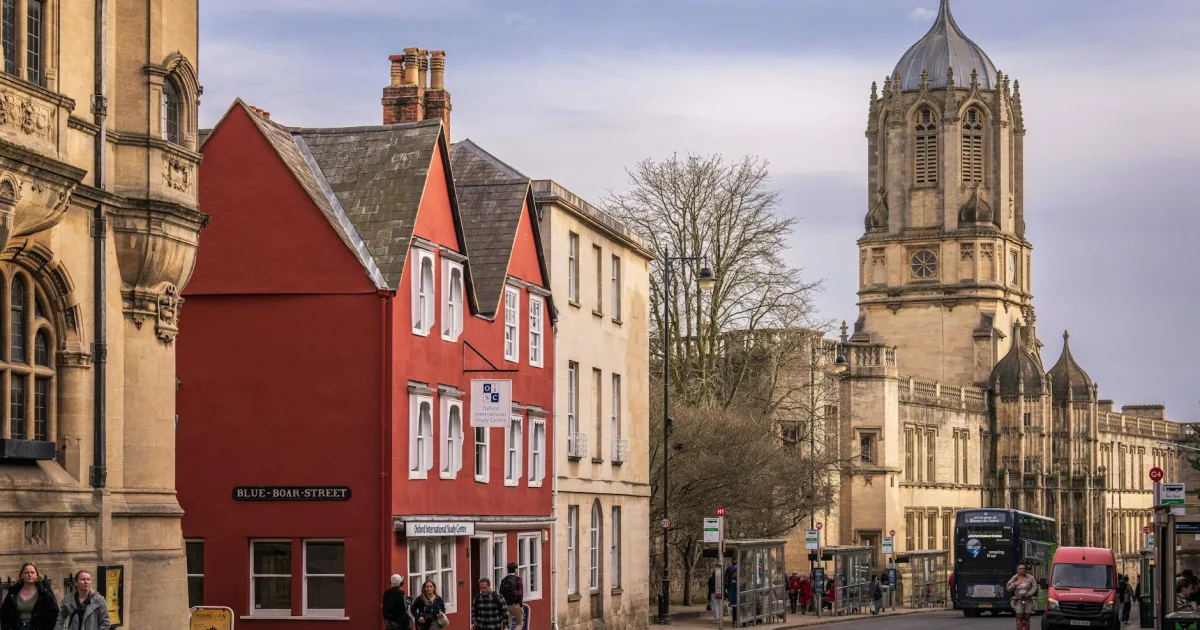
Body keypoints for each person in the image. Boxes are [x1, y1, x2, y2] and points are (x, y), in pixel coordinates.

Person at [1, 562, 59, 630]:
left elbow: (54, 612)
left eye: (32, 572)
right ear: (21, 575)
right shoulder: (13, 592)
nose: (30, 575)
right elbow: (4, 612)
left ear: (37, 575)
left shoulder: (44, 592)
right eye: (26, 572)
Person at [1006, 563, 1038, 630]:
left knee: (1027, 617)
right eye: (1020, 568)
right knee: (1020, 617)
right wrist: (1014, 585)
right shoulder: (1014, 578)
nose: (1022, 570)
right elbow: (1008, 588)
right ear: (1017, 570)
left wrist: (1029, 594)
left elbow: (1034, 587)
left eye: (1023, 568)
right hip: (1018, 600)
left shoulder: (1030, 577)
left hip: (1028, 599)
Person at [498, 562, 524, 630]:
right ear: (515, 570)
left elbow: (500, 593)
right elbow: (520, 593)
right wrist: (520, 604)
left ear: (508, 570)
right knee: (519, 624)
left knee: (507, 625)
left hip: (506, 605)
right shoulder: (518, 579)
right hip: (515, 604)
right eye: (517, 569)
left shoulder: (504, 580)